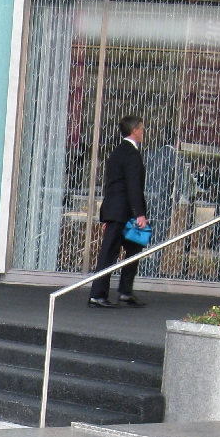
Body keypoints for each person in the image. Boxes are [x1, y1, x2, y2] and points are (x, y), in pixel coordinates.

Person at [89, 114, 149, 309]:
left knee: (133, 249)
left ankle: (125, 291)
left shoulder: (116, 152)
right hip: (123, 212)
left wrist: (106, 213)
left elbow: (110, 185)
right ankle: (98, 294)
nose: (143, 131)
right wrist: (139, 213)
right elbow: (133, 185)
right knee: (109, 253)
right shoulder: (131, 154)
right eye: (141, 128)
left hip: (115, 210)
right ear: (134, 131)